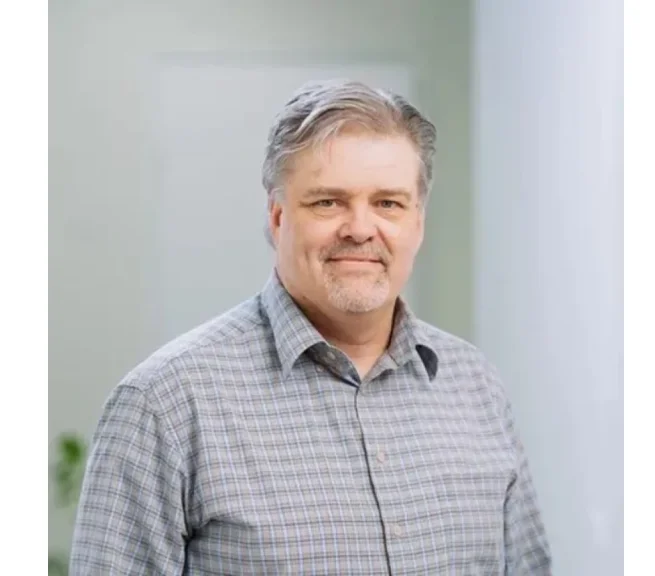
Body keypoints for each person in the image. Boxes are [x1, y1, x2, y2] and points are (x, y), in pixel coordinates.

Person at [69, 79, 551, 575]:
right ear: (278, 218)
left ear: (418, 223)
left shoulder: (475, 385)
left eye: (388, 203)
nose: (360, 229)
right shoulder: (165, 404)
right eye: (328, 202)